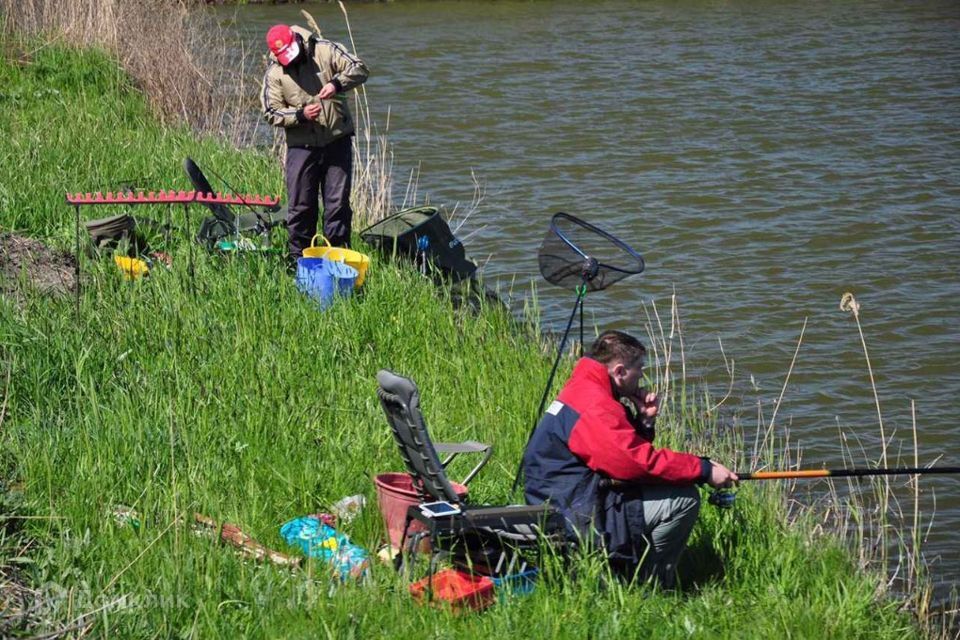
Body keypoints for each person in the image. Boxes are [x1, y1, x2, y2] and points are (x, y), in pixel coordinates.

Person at [522, 330, 738, 587]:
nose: (643, 376)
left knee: (666, 488)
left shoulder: (584, 387)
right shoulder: (595, 405)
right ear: (620, 371)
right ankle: (651, 586)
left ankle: (628, 569)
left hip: (564, 496)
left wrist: (644, 421)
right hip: (572, 511)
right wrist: (704, 470)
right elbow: (637, 463)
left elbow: (621, 457)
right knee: (684, 499)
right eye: (640, 369)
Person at [260, 24, 369, 262]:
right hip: (301, 147)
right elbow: (270, 112)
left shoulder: (326, 50)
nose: (290, 60)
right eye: (284, 58)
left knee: (337, 205)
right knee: (300, 207)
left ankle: (339, 260)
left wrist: (337, 84)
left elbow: (360, 68)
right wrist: (299, 116)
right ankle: (298, 261)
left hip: (336, 142)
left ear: (297, 40)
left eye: (291, 52)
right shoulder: (275, 73)